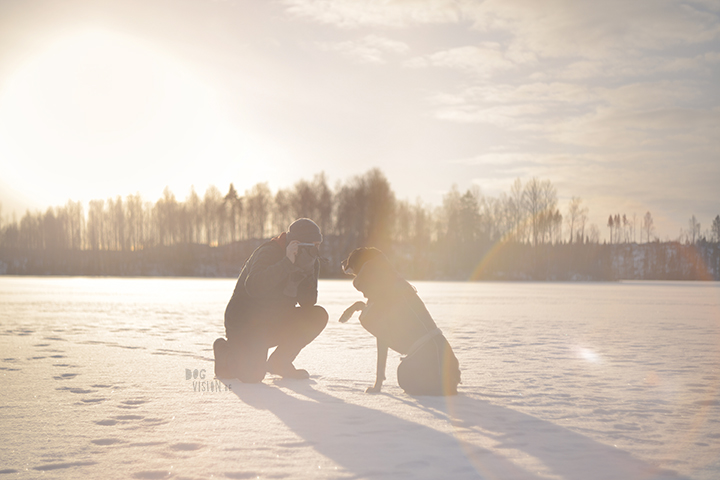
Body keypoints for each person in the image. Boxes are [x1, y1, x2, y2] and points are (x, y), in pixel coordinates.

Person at [214, 218, 328, 381]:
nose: (317, 251)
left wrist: (307, 273)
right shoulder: (269, 252)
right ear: (297, 243)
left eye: (319, 245)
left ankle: (280, 362)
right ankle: (224, 351)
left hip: (273, 319)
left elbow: (308, 303)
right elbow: (254, 287)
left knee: (317, 315)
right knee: (252, 376)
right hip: (245, 321)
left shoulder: (310, 260)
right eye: (314, 246)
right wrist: (287, 263)